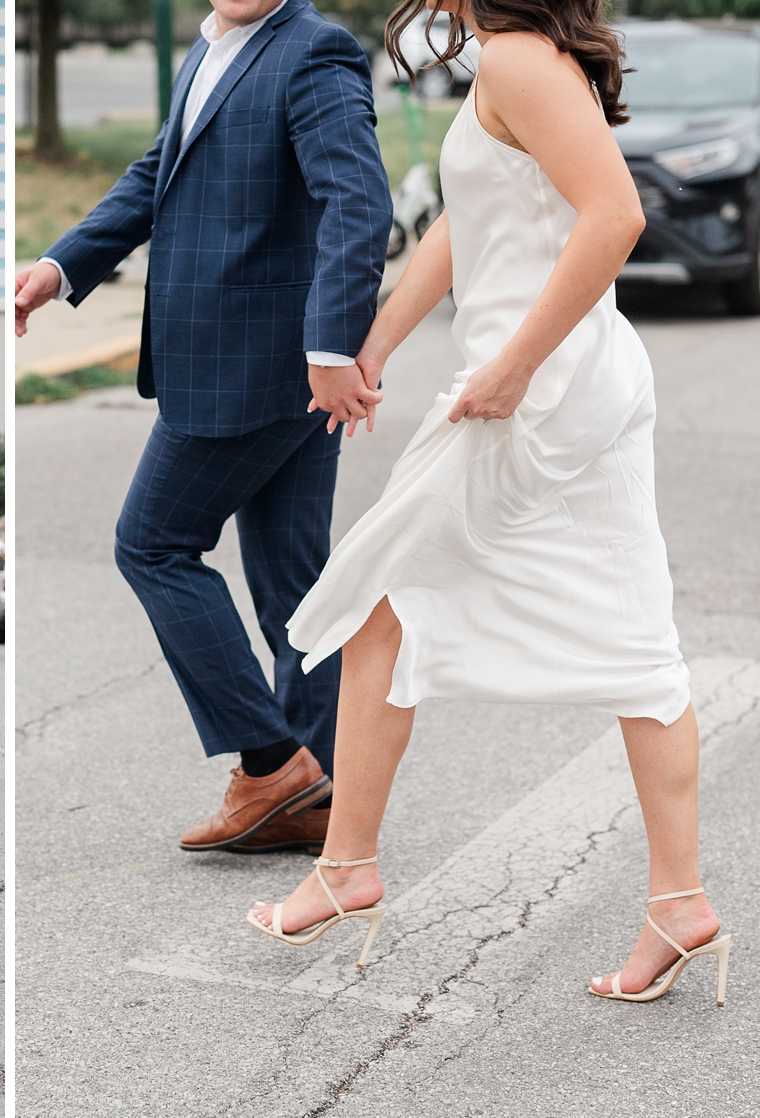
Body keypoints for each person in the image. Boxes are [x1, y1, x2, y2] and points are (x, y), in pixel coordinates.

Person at [250, 0, 730, 1006]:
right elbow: (466, 230)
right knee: (637, 642)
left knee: (382, 596)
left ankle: (348, 868)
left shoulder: (517, 59)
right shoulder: (512, 60)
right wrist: (373, 346)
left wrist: (512, 367)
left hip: (538, 398)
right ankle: (679, 901)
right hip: (568, 387)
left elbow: (618, 215)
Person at [14, 0, 392, 854]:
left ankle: (270, 765)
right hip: (272, 368)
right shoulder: (213, 48)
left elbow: (358, 200)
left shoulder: (314, 51)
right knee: (297, 586)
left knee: (151, 543)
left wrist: (333, 342)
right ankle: (316, 796)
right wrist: (61, 266)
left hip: (259, 367)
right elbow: (159, 174)